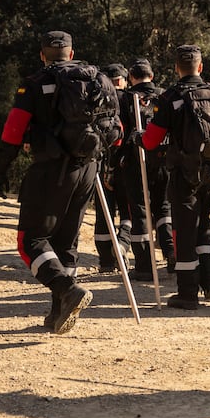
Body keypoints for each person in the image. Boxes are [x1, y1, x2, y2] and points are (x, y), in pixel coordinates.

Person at [0, 31, 116, 334]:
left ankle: (66, 289)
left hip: (51, 168)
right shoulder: (98, 80)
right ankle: (58, 312)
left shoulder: (35, 84)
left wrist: (1, 169)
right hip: (88, 168)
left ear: (42, 55)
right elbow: (117, 131)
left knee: (30, 241)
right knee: (66, 241)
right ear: (72, 53)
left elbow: (13, 130)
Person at [139, 45, 210, 310]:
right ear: (200, 67)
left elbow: (152, 141)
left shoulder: (170, 97)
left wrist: (139, 138)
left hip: (185, 175)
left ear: (176, 68)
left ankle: (188, 292)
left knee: (183, 231)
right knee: (203, 226)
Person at [119, 58, 174, 281]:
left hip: (135, 161)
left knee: (140, 210)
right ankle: (171, 253)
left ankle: (144, 265)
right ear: (151, 76)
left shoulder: (125, 98)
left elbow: (120, 133)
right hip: (164, 159)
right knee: (164, 207)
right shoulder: (165, 96)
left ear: (131, 77)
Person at [95, 63, 132, 272]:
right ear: (121, 80)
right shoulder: (130, 99)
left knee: (104, 214)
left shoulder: (99, 99)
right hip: (127, 165)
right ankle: (123, 243)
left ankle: (106, 262)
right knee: (129, 210)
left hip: (101, 165)